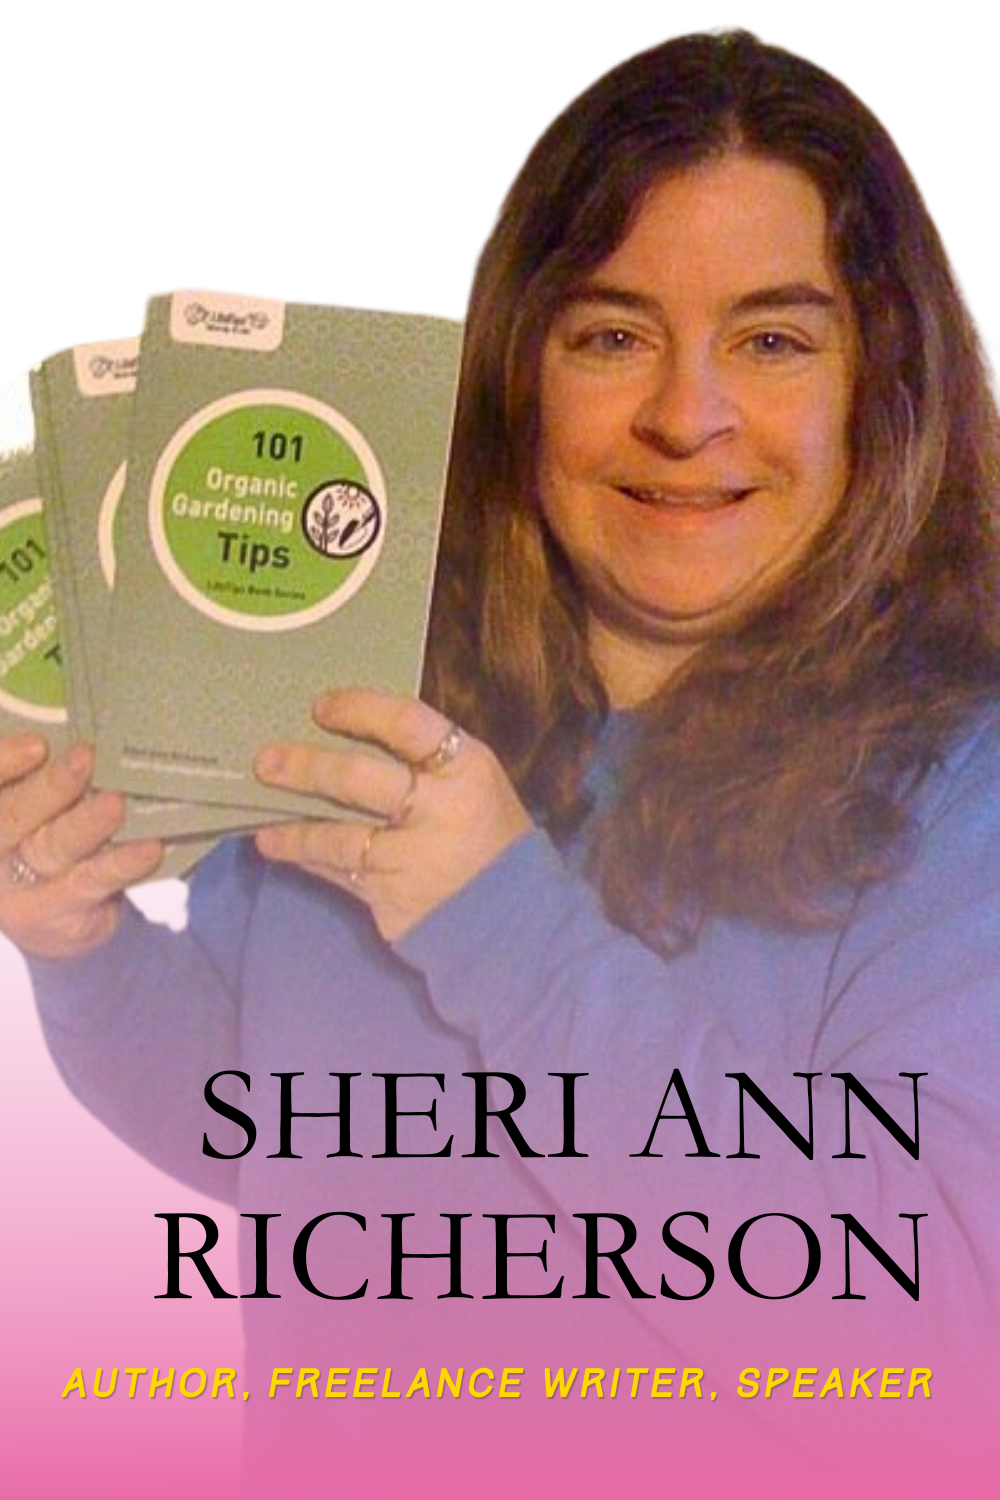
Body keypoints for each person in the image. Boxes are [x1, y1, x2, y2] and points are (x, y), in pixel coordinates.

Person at [3, 29, 998, 1496]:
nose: (686, 412)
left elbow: (940, 1356)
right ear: (519, 371)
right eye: (611, 334)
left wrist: (501, 923)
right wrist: (82, 951)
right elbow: (276, 1142)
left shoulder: (966, 787)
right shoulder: (373, 704)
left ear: (883, 382)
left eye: (774, 339)